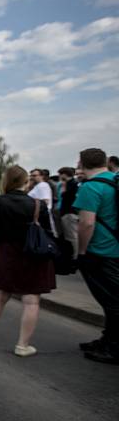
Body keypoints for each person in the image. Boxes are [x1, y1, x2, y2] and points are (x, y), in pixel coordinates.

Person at [0, 166, 56, 357]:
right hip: (33, 254)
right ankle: (22, 345)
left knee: (0, 294)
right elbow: (47, 231)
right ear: (25, 182)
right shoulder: (38, 205)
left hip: (6, 253)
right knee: (31, 300)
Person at [73, 148, 119, 364]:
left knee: (111, 301)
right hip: (116, 249)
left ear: (81, 164)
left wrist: (82, 251)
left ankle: (114, 347)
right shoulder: (115, 180)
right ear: (106, 161)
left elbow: (86, 223)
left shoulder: (91, 187)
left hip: (101, 251)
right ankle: (108, 340)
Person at [58, 167, 79, 260]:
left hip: (69, 213)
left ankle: (76, 256)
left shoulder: (71, 184)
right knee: (71, 236)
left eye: (60, 174)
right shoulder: (74, 183)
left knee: (72, 236)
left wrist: (63, 186)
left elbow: (64, 195)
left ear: (64, 174)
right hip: (70, 212)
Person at [29, 168, 56, 235]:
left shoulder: (43, 186)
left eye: (34, 175)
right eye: (31, 176)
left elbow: (45, 201)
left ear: (41, 176)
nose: (32, 177)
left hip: (41, 216)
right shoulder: (37, 186)